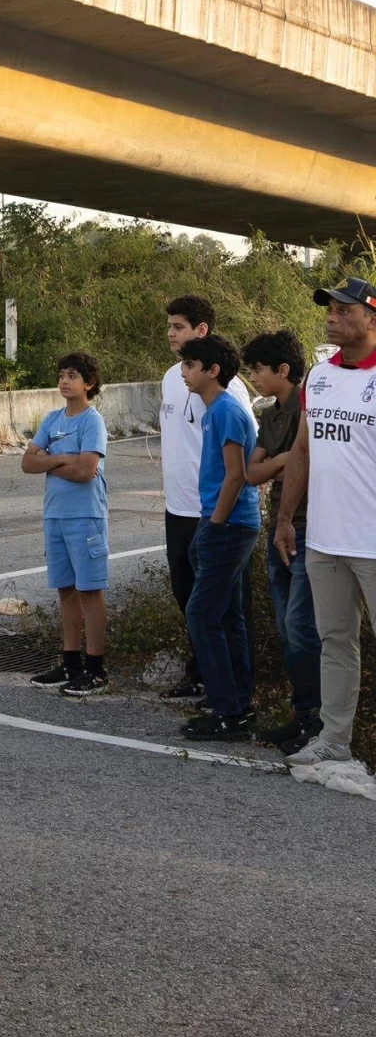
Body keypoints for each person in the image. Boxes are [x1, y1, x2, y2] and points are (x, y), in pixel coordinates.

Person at [277, 278, 376, 766]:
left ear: (372, 319)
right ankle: (335, 742)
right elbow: (302, 450)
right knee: (335, 643)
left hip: (374, 543)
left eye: (343, 310)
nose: (331, 318)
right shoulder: (318, 377)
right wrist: (285, 520)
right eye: (329, 310)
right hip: (326, 538)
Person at [159, 295, 254, 701]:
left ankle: (232, 692)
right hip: (178, 506)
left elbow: (243, 457)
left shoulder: (228, 393)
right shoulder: (172, 377)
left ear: (202, 330)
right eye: (169, 327)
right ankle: (201, 675)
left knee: (222, 606)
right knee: (188, 597)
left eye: (178, 327)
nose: (170, 334)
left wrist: (217, 516)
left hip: (216, 513)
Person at [176, 334, 260, 740]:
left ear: (213, 371)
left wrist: (213, 524)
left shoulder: (226, 409)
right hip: (225, 523)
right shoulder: (213, 411)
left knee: (202, 614)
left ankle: (227, 710)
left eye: (191, 365)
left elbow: (236, 475)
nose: (183, 372)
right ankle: (239, 706)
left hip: (229, 525)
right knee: (227, 615)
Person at [243, 330, 321, 753]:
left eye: (258, 369)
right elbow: (252, 474)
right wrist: (283, 460)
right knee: (288, 630)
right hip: (280, 530)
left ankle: (321, 721)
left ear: (283, 370)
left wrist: (282, 461)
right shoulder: (269, 417)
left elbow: (306, 459)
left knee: (302, 628)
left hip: (311, 528)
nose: (254, 376)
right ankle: (304, 715)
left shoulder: (307, 407)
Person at [22, 352, 110, 697]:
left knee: (90, 590)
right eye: (61, 374)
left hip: (85, 516)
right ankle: (70, 661)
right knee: (66, 590)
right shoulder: (52, 419)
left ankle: (96, 667)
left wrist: (48, 460)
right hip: (55, 515)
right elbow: (28, 462)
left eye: (72, 375)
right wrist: (61, 458)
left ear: (88, 383)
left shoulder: (92, 422)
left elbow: (86, 471)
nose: (64, 381)